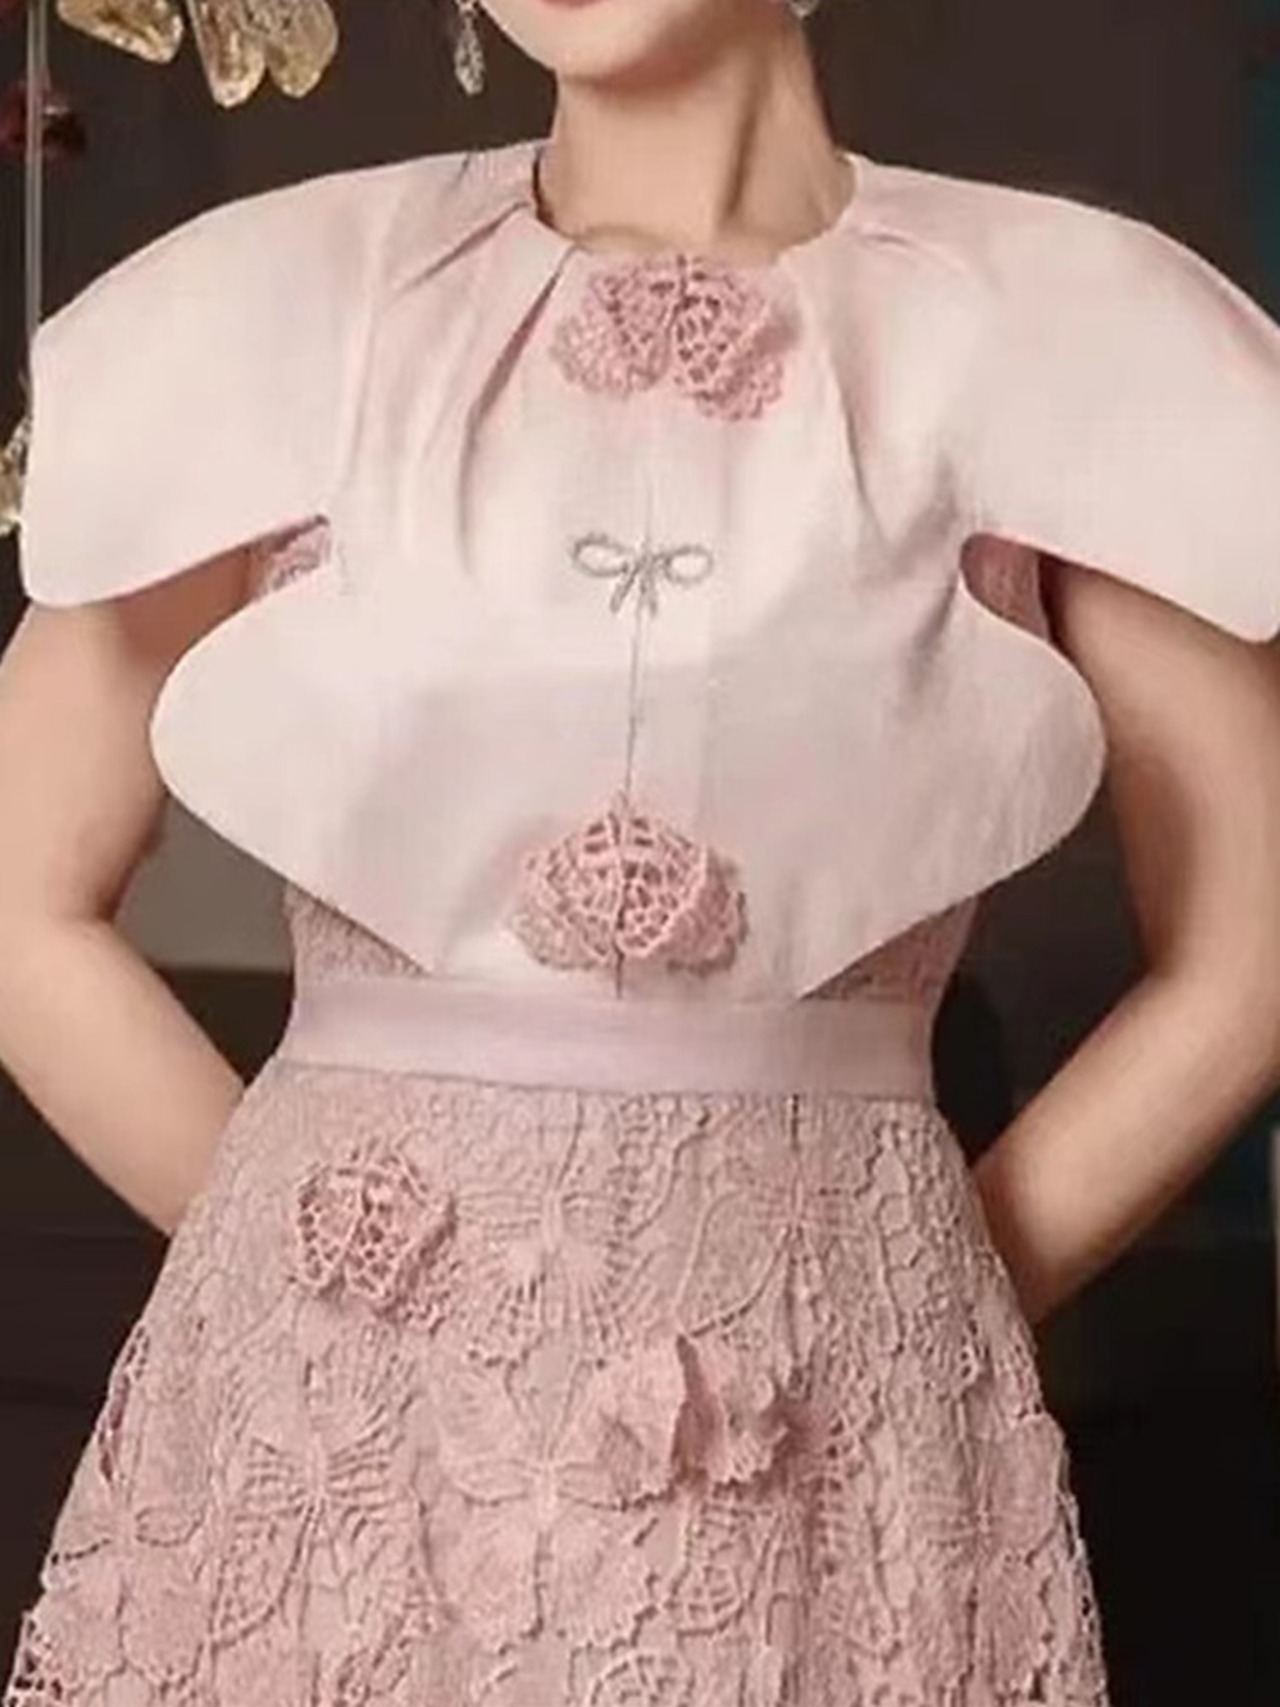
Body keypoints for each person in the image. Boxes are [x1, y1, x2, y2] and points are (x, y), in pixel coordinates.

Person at [4, 0, 1280, 1701]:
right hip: (334, 1450)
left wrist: (919, 1282)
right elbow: (19, 896)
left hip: (819, 1448)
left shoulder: (1055, 327)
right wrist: (304, 1262)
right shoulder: (284, 304)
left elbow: (1250, 949)